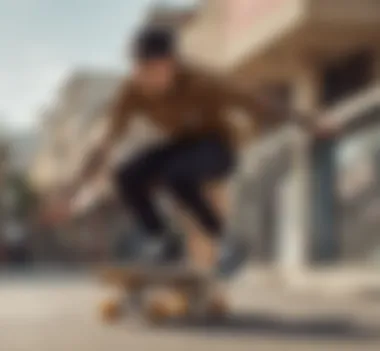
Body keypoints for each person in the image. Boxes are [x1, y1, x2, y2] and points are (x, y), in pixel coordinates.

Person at [76, 26, 329, 275]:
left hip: (217, 147)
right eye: (141, 70)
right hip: (180, 146)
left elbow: (256, 103)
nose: (148, 79)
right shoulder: (131, 91)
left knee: (176, 175)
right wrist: (76, 187)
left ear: (172, 64)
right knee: (126, 174)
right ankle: (163, 240)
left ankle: (225, 241)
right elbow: (108, 138)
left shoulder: (203, 82)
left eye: (154, 70)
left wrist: (309, 122)